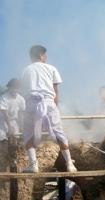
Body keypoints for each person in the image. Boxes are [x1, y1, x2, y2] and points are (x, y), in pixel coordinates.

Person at [21, 45, 77, 173]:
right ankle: (69, 164)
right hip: (49, 102)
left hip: (31, 104)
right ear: (41, 55)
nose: (46, 57)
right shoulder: (51, 68)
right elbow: (56, 91)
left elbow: (24, 91)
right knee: (58, 132)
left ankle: (33, 165)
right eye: (45, 55)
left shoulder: (26, 70)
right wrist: (55, 107)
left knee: (28, 134)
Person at [0, 78, 25, 142]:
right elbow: (4, 113)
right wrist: (9, 126)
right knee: (3, 140)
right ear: (9, 88)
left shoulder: (21, 99)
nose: (14, 90)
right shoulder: (4, 97)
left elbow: (21, 113)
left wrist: (21, 126)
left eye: (16, 88)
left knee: (15, 141)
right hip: (3, 122)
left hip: (14, 122)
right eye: (13, 88)